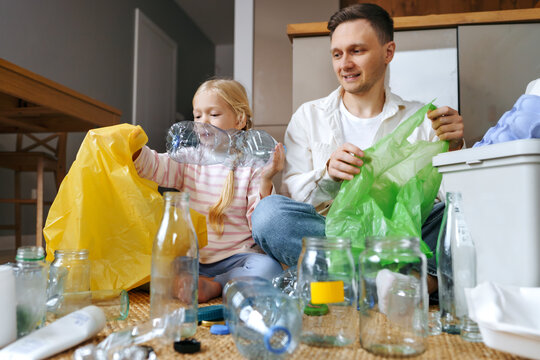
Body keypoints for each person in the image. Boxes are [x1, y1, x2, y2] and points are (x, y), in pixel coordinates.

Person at [252, 4, 464, 294]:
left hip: (403, 237)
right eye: (337, 54)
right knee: (269, 215)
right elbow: (294, 200)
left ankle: (341, 285)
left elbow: (448, 200)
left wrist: (454, 149)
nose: (345, 64)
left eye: (357, 51)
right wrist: (328, 175)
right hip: (334, 236)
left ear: (388, 52)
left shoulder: (423, 120)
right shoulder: (308, 116)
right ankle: (406, 284)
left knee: (462, 216)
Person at [133, 79, 285, 302]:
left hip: (238, 258)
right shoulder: (188, 158)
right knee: (148, 264)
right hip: (194, 259)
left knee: (270, 270)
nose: (202, 122)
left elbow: (260, 225)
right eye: (197, 116)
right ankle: (204, 284)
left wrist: (267, 179)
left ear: (240, 119)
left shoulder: (252, 165)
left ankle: (217, 284)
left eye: (213, 114)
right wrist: (132, 147)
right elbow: (155, 166)